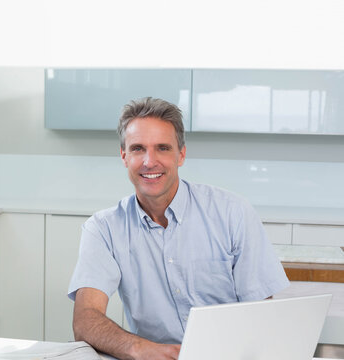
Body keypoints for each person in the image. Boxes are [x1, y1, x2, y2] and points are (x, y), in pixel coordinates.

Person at [67, 97, 290, 360]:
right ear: (124, 156)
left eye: (162, 148)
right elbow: (85, 320)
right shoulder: (103, 229)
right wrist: (138, 349)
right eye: (138, 149)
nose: (150, 161)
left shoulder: (233, 213)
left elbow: (261, 316)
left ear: (181, 154)